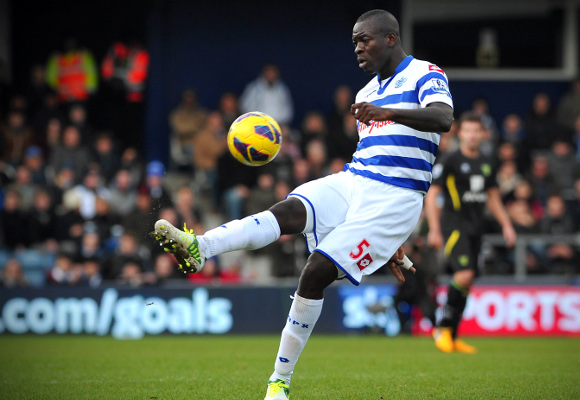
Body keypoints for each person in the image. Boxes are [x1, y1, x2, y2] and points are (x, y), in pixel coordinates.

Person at [152, 9, 453, 400]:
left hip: (396, 197)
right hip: (356, 180)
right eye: (354, 43)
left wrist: (389, 113)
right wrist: (385, 240)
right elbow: (378, 151)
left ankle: (279, 382)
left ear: (391, 38)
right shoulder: (365, 95)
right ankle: (200, 248)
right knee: (289, 210)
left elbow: (443, 118)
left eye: (365, 40)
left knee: (315, 272)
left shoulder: (426, 74)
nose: (358, 48)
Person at [425, 111, 516, 354]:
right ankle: (442, 328)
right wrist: (434, 229)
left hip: (477, 228)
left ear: (483, 134)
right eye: (468, 130)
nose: (473, 135)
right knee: (464, 274)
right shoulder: (450, 160)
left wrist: (506, 224)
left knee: (469, 280)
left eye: (477, 131)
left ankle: (453, 337)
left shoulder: (488, 161)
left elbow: (493, 196)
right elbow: (433, 195)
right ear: (460, 133)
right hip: (454, 226)